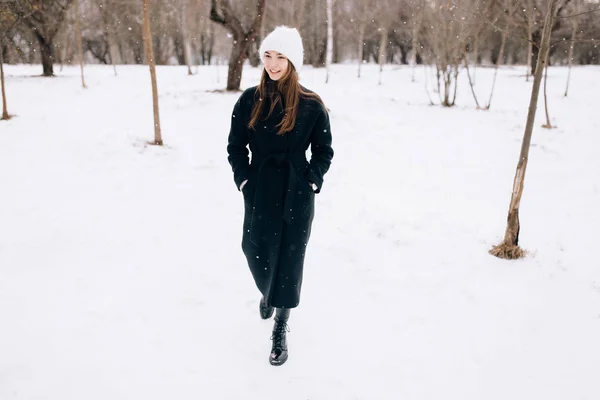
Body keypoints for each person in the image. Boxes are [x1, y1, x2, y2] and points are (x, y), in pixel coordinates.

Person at [226, 26, 334, 366]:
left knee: (289, 261)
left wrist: (312, 181)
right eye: (268, 56)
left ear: (293, 61)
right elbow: (235, 148)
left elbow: (323, 151)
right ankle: (267, 292)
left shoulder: (311, 105)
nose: (273, 64)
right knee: (255, 250)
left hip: (296, 193)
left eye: (280, 57)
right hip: (259, 192)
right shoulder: (249, 100)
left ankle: (280, 325)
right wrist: (244, 181)